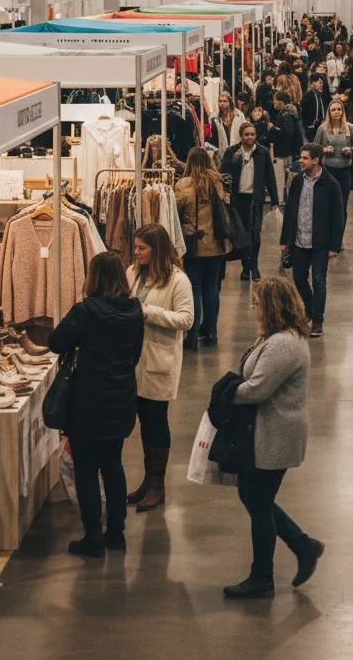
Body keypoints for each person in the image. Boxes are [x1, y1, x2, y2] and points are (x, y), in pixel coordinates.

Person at [223, 278, 324, 599]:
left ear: (272, 306)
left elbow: (257, 389)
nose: (253, 309)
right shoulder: (274, 336)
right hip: (264, 431)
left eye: (257, 303)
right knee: (251, 496)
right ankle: (303, 545)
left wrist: (224, 394)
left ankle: (262, 576)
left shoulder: (284, 344)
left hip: (276, 433)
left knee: (259, 502)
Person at [48, 252, 144, 557]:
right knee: (113, 464)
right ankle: (116, 532)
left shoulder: (84, 311)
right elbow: (135, 353)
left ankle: (93, 537)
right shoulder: (135, 310)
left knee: (87, 467)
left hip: (87, 400)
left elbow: (55, 342)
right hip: (121, 397)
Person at [124, 225, 194, 514]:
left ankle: (158, 484)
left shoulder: (178, 280)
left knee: (156, 421)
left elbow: (187, 319)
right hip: (133, 360)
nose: (136, 253)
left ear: (157, 248)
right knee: (143, 423)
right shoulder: (133, 273)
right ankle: (146, 480)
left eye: (142, 248)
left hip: (158, 360)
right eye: (136, 247)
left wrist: (149, 313)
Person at [279, 144, 343, 339]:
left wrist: (334, 245)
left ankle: (317, 320)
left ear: (316, 160)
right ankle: (309, 308)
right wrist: (284, 239)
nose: (301, 160)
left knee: (319, 281)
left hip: (320, 244)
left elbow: (338, 217)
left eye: (305, 158)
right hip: (299, 240)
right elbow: (289, 210)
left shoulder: (330, 184)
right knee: (298, 278)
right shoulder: (297, 180)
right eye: (301, 157)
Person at [176, 148, 231, 348]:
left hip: (193, 243)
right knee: (211, 287)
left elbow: (175, 210)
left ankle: (191, 336)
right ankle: (211, 334)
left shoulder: (184, 184)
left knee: (194, 288)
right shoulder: (217, 182)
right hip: (216, 243)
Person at [221, 122, 279, 282]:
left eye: (252, 134)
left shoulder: (262, 152)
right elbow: (223, 174)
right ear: (241, 136)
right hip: (237, 199)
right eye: (247, 134)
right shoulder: (232, 152)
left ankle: (252, 266)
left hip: (255, 199)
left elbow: (270, 176)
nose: (250, 137)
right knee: (241, 234)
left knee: (255, 234)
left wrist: (275, 199)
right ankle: (246, 265)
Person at [313, 99, 353, 237]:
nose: (336, 112)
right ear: (329, 112)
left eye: (339, 109)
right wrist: (324, 149)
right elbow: (314, 148)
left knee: (341, 205)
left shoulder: (350, 128)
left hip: (344, 170)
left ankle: (338, 238)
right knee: (326, 204)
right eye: (333, 109)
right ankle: (326, 235)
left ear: (343, 111)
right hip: (327, 170)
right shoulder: (322, 128)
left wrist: (350, 150)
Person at [301, 73, 327, 141]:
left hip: (319, 127)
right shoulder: (307, 97)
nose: (322, 85)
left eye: (322, 83)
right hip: (310, 129)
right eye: (320, 83)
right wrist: (309, 125)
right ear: (312, 84)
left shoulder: (321, 96)